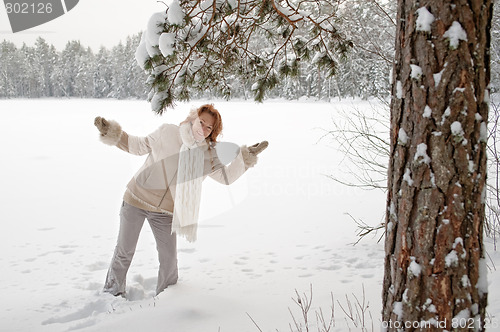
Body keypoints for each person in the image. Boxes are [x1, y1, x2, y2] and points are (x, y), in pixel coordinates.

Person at [94, 104, 268, 297]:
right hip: (136, 199)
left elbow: (225, 177)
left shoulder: (207, 156)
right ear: (192, 119)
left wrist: (245, 157)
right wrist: (111, 132)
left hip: (165, 212)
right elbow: (138, 145)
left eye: (208, 127)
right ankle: (112, 293)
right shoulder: (168, 132)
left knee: (168, 259)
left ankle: (168, 299)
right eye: (201, 122)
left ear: (212, 132)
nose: (202, 129)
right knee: (124, 251)